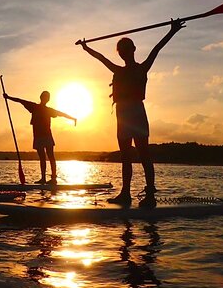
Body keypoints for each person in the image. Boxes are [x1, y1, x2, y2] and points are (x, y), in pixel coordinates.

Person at [79, 19, 185, 207]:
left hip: (135, 112)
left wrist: (173, 31)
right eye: (121, 51)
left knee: (143, 154)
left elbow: (157, 48)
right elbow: (101, 58)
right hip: (124, 114)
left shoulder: (141, 68)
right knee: (126, 156)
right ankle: (126, 194)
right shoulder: (119, 70)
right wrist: (86, 48)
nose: (123, 53)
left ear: (133, 50)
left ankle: (150, 195)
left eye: (125, 49)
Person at [3, 90, 77, 185]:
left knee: (50, 157)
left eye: (46, 97)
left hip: (46, 136)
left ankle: (53, 178)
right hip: (39, 136)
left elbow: (61, 113)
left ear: (47, 99)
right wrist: (8, 97)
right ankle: (43, 178)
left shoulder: (48, 110)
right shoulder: (34, 106)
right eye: (44, 97)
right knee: (43, 158)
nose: (45, 99)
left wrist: (73, 118)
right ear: (41, 97)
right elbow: (20, 100)